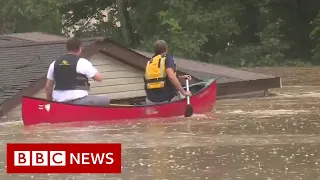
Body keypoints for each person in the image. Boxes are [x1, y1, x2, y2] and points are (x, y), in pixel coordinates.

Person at [45, 38, 110, 106]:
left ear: (67, 49)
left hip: (59, 102)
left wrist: (50, 104)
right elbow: (99, 78)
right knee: (106, 100)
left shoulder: (54, 63)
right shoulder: (82, 62)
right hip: (78, 102)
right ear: (80, 49)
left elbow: (48, 87)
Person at [144, 40, 192, 105]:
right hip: (166, 100)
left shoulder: (150, 62)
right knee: (186, 95)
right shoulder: (167, 58)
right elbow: (171, 76)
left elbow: (159, 78)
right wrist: (184, 92)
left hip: (150, 101)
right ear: (166, 48)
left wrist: (181, 77)